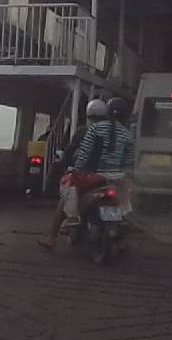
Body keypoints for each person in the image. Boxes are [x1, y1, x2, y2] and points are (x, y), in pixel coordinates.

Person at [38, 97, 134, 250]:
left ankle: (56, 233)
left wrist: (78, 170)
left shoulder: (94, 129)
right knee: (123, 200)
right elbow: (129, 161)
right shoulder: (127, 135)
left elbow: (84, 153)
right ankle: (121, 235)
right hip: (116, 179)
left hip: (93, 177)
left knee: (66, 195)